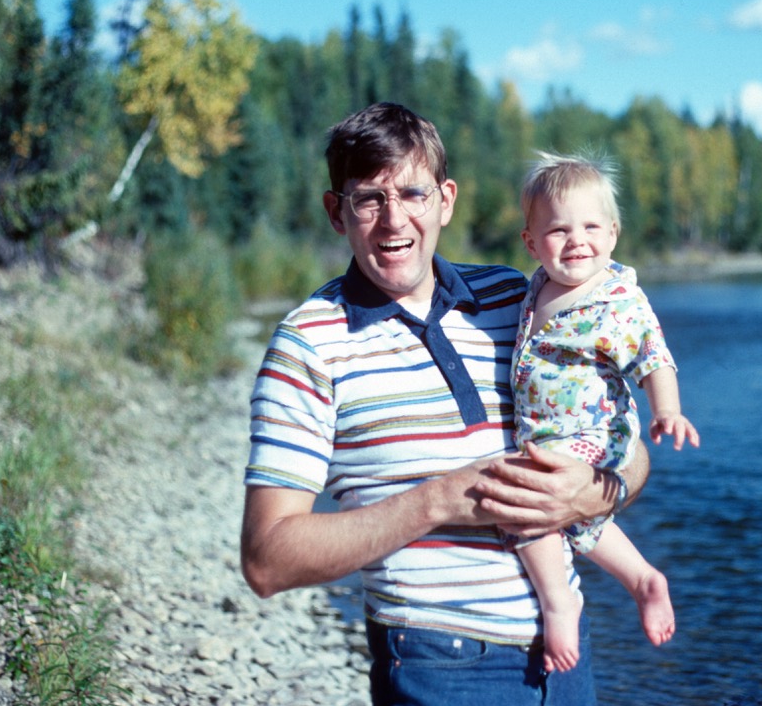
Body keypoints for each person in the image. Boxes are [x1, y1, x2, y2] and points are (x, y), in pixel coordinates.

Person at [241, 103, 649, 705]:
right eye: (368, 199)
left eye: (412, 193)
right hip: (441, 666)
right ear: (336, 212)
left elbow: (630, 452)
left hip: (567, 659)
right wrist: (435, 501)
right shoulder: (308, 347)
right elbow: (267, 560)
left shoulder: (523, 299)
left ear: (445, 200)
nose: (393, 220)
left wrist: (586, 490)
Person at [509, 152, 700, 673]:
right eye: (557, 230)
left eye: (591, 226)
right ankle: (642, 579)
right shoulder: (537, 286)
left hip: (597, 431)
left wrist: (668, 411)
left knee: (529, 505)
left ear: (613, 234)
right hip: (548, 433)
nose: (576, 240)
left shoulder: (618, 300)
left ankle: (559, 602)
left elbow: (654, 357)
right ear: (531, 242)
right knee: (576, 520)